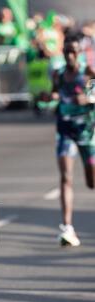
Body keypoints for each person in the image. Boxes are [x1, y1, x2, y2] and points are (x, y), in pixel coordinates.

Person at [51, 37, 95, 246]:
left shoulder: (89, 73)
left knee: (91, 181)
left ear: (80, 52)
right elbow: (55, 93)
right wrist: (48, 96)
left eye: (74, 52)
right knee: (65, 177)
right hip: (65, 130)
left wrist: (87, 99)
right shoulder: (58, 74)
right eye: (67, 51)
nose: (70, 56)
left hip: (87, 132)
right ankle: (67, 227)